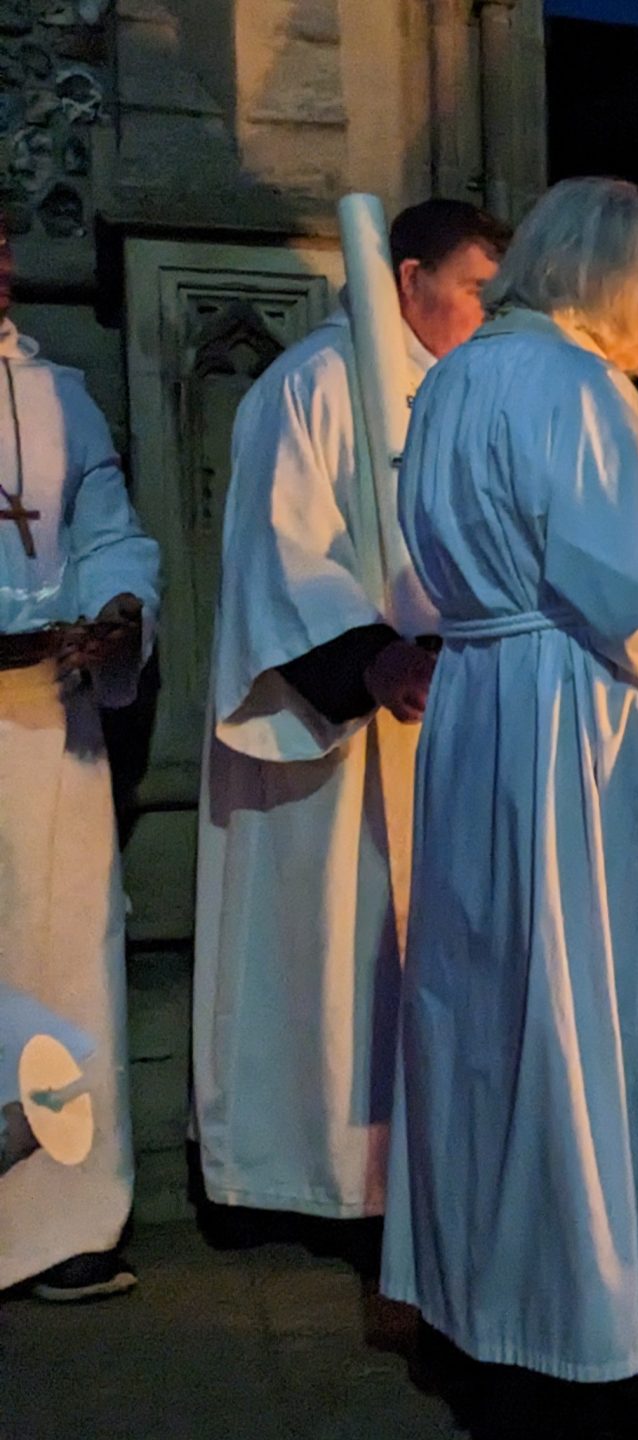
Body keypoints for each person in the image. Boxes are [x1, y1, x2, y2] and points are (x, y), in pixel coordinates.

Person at [382, 176, 638, 1384]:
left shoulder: (456, 374)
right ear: (610, 280)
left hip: (480, 715)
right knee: (618, 1001)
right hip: (585, 724)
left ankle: (489, 1309)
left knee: (494, 1005)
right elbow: (631, 595)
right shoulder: (577, 387)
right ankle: (617, 1321)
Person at [193, 199, 506, 1225]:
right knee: (329, 954)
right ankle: (313, 1177)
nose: (487, 312)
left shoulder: (450, 391)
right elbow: (277, 552)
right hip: (332, 741)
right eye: (474, 290)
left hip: (442, 721)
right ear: (406, 278)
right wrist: (370, 660)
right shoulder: (316, 385)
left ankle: (424, 1166)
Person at [0, 222, 161, 1302]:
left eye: (3, 250)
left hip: (48, 721)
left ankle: (59, 1223)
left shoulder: (55, 396)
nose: (3, 269)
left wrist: (118, 610)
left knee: (58, 967)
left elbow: (108, 525)